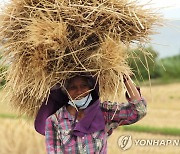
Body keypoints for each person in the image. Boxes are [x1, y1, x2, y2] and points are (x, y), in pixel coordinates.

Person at [35, 74, 146, 154]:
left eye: (84, 86)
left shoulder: (103, 112)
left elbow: (138, 111)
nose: (79, 91)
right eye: (73, 87)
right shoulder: (54, 121)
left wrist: (125, 78)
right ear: (66, 92)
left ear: (90, 88)